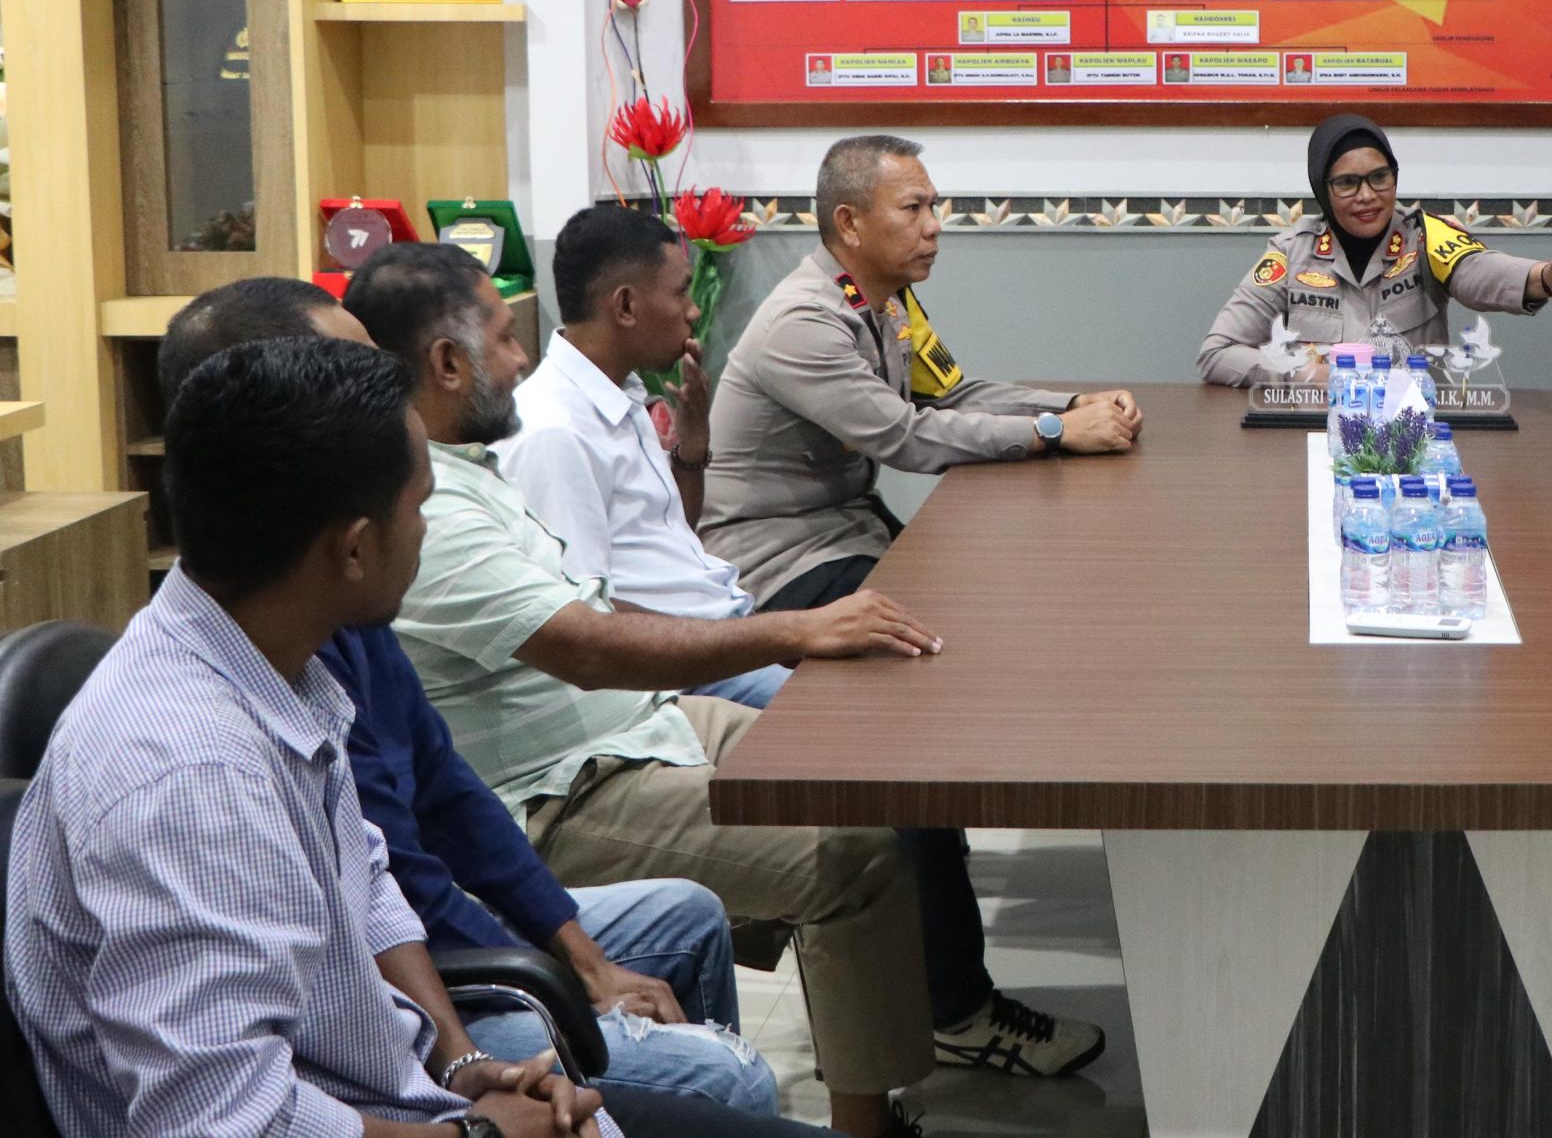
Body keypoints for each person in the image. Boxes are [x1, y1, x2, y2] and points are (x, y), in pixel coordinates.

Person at [343, 245, 942, 1138]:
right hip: (571, 782)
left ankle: (912, 1021)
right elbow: (584, 647)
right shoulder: (430, 512)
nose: (523, 356)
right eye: (506, 336)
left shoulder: (475, 465)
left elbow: (596, 601)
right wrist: (795, 630)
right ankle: (866, 1118)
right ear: (447, 362)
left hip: (637, 722)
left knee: (848, 753)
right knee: (852, 853)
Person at [156, 277, 786, 1118]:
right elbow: (228, 1107)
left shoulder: (302, 639)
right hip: (372, 1055)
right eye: (362, 375)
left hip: (407, 1014)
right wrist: (471, 1105)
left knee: (688, 931)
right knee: (724, 1080)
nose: (395, 394)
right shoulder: (190, 765)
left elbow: (388, 861)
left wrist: (469, 1052)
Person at [493, 209, 1098, 1079]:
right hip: (684, 662)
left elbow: (669, 544)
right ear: (624, 304)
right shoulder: (555, 426)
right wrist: (769, 639)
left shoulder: (620, 394)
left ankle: (920, 963)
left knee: (908, 715)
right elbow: (593, 621)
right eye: (679, 294)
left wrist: (692, 454)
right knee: (889, 751)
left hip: (725, 618)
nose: (694, 312)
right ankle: (954, 1007)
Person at [5, 337, 624, 1138]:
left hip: (394, 1096)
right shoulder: (187, 776)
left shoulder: (271, 661)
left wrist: (461, 1064)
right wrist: (475, 1135)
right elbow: (223, 1123)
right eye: (420, 505)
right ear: (356, 547)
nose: (426, 529)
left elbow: (362, 876)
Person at [701, 133, 1142, 613]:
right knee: (951, 617)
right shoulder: (802, 323)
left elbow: (950, 396)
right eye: (912, 209)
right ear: (849, 223)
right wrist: (1053, 431)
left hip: (849, 530)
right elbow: (905, 438)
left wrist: (1071, 405)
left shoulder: (884, 303)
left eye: (932, 206)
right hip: (776, 560)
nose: (933, 227)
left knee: (982, 587)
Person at [1198, 114, 1552, 385]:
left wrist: (1543, 279)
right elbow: (1217, 353)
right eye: (1347, 183)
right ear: (1322, 190)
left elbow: (1478, 271)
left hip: (1416, 434)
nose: (1367, 195)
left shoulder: (1426, 235)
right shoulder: (1293, 253)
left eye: (1379, 177)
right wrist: (1303, 376)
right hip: (1317, 429)